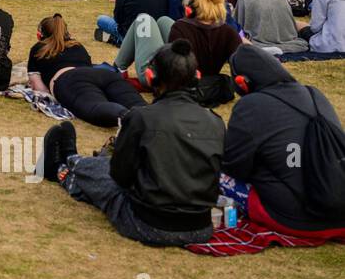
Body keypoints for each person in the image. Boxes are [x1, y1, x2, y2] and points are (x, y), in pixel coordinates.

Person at [40, 40, 225, 246]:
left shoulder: (141, 118)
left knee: (100, 171)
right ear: (196, 77)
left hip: (146, 223)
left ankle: (63, 168)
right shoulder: (215, 121)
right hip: (201, 227)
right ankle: (71, 163)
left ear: (150, 76)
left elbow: (120, 176)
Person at [223, 45, 345, 234]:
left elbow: (234, 167)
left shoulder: (250, 106)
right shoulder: (315, 95)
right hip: (338, 208)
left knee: (215, 175)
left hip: (293, 217)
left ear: (243, 82)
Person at [26, 14, 145, 126]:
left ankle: (127, 119)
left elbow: (39, 88)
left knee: (96, 107)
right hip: (103, 75)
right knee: (138, 104)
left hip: (70, 80)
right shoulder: (77, 45)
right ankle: (151, 117)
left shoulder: (38, 48)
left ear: (39, 35)